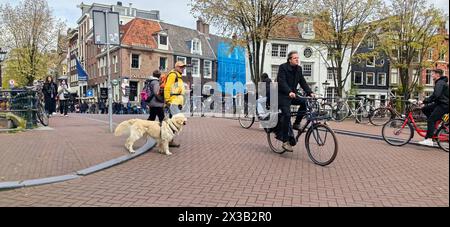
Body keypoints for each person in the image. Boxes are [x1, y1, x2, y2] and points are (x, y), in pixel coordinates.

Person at [276, 51, 314, 152]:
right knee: (287, 115)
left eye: (298, 58)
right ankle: (285, 141)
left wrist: (310, 92)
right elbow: (281, 81)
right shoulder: (283, 67)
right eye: (295, 58)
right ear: (289, 60)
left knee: (304, 102)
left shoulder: (299, 69)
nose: (297, 59)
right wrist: (289, 92)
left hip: (292, 94)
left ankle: (296, 123)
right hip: (282, 95)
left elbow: (302, 82)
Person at [418, 69, 449, 146]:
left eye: (433, 74)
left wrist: (424, 101)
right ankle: (434, 125)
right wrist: (425, 102)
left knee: (431, 119)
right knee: (425, 109)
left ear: (437, 75)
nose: (431, 75)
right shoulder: (440, 82)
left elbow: (436, 95)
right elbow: (435, 95)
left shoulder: (440, 83)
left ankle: (429, 139)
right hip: (440, 103)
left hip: (444, 105)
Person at [164, 61, 187, 147]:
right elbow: (167, 87)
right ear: (176, 67)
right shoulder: (173, 75)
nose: (182, 69)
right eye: (181, 67)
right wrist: (167, 100)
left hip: (177, 101)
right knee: (175, 122)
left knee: (172, 122)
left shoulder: (179, 76)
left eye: (183, 67)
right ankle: (169, 140)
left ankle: (169, 140)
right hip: (173, 101)